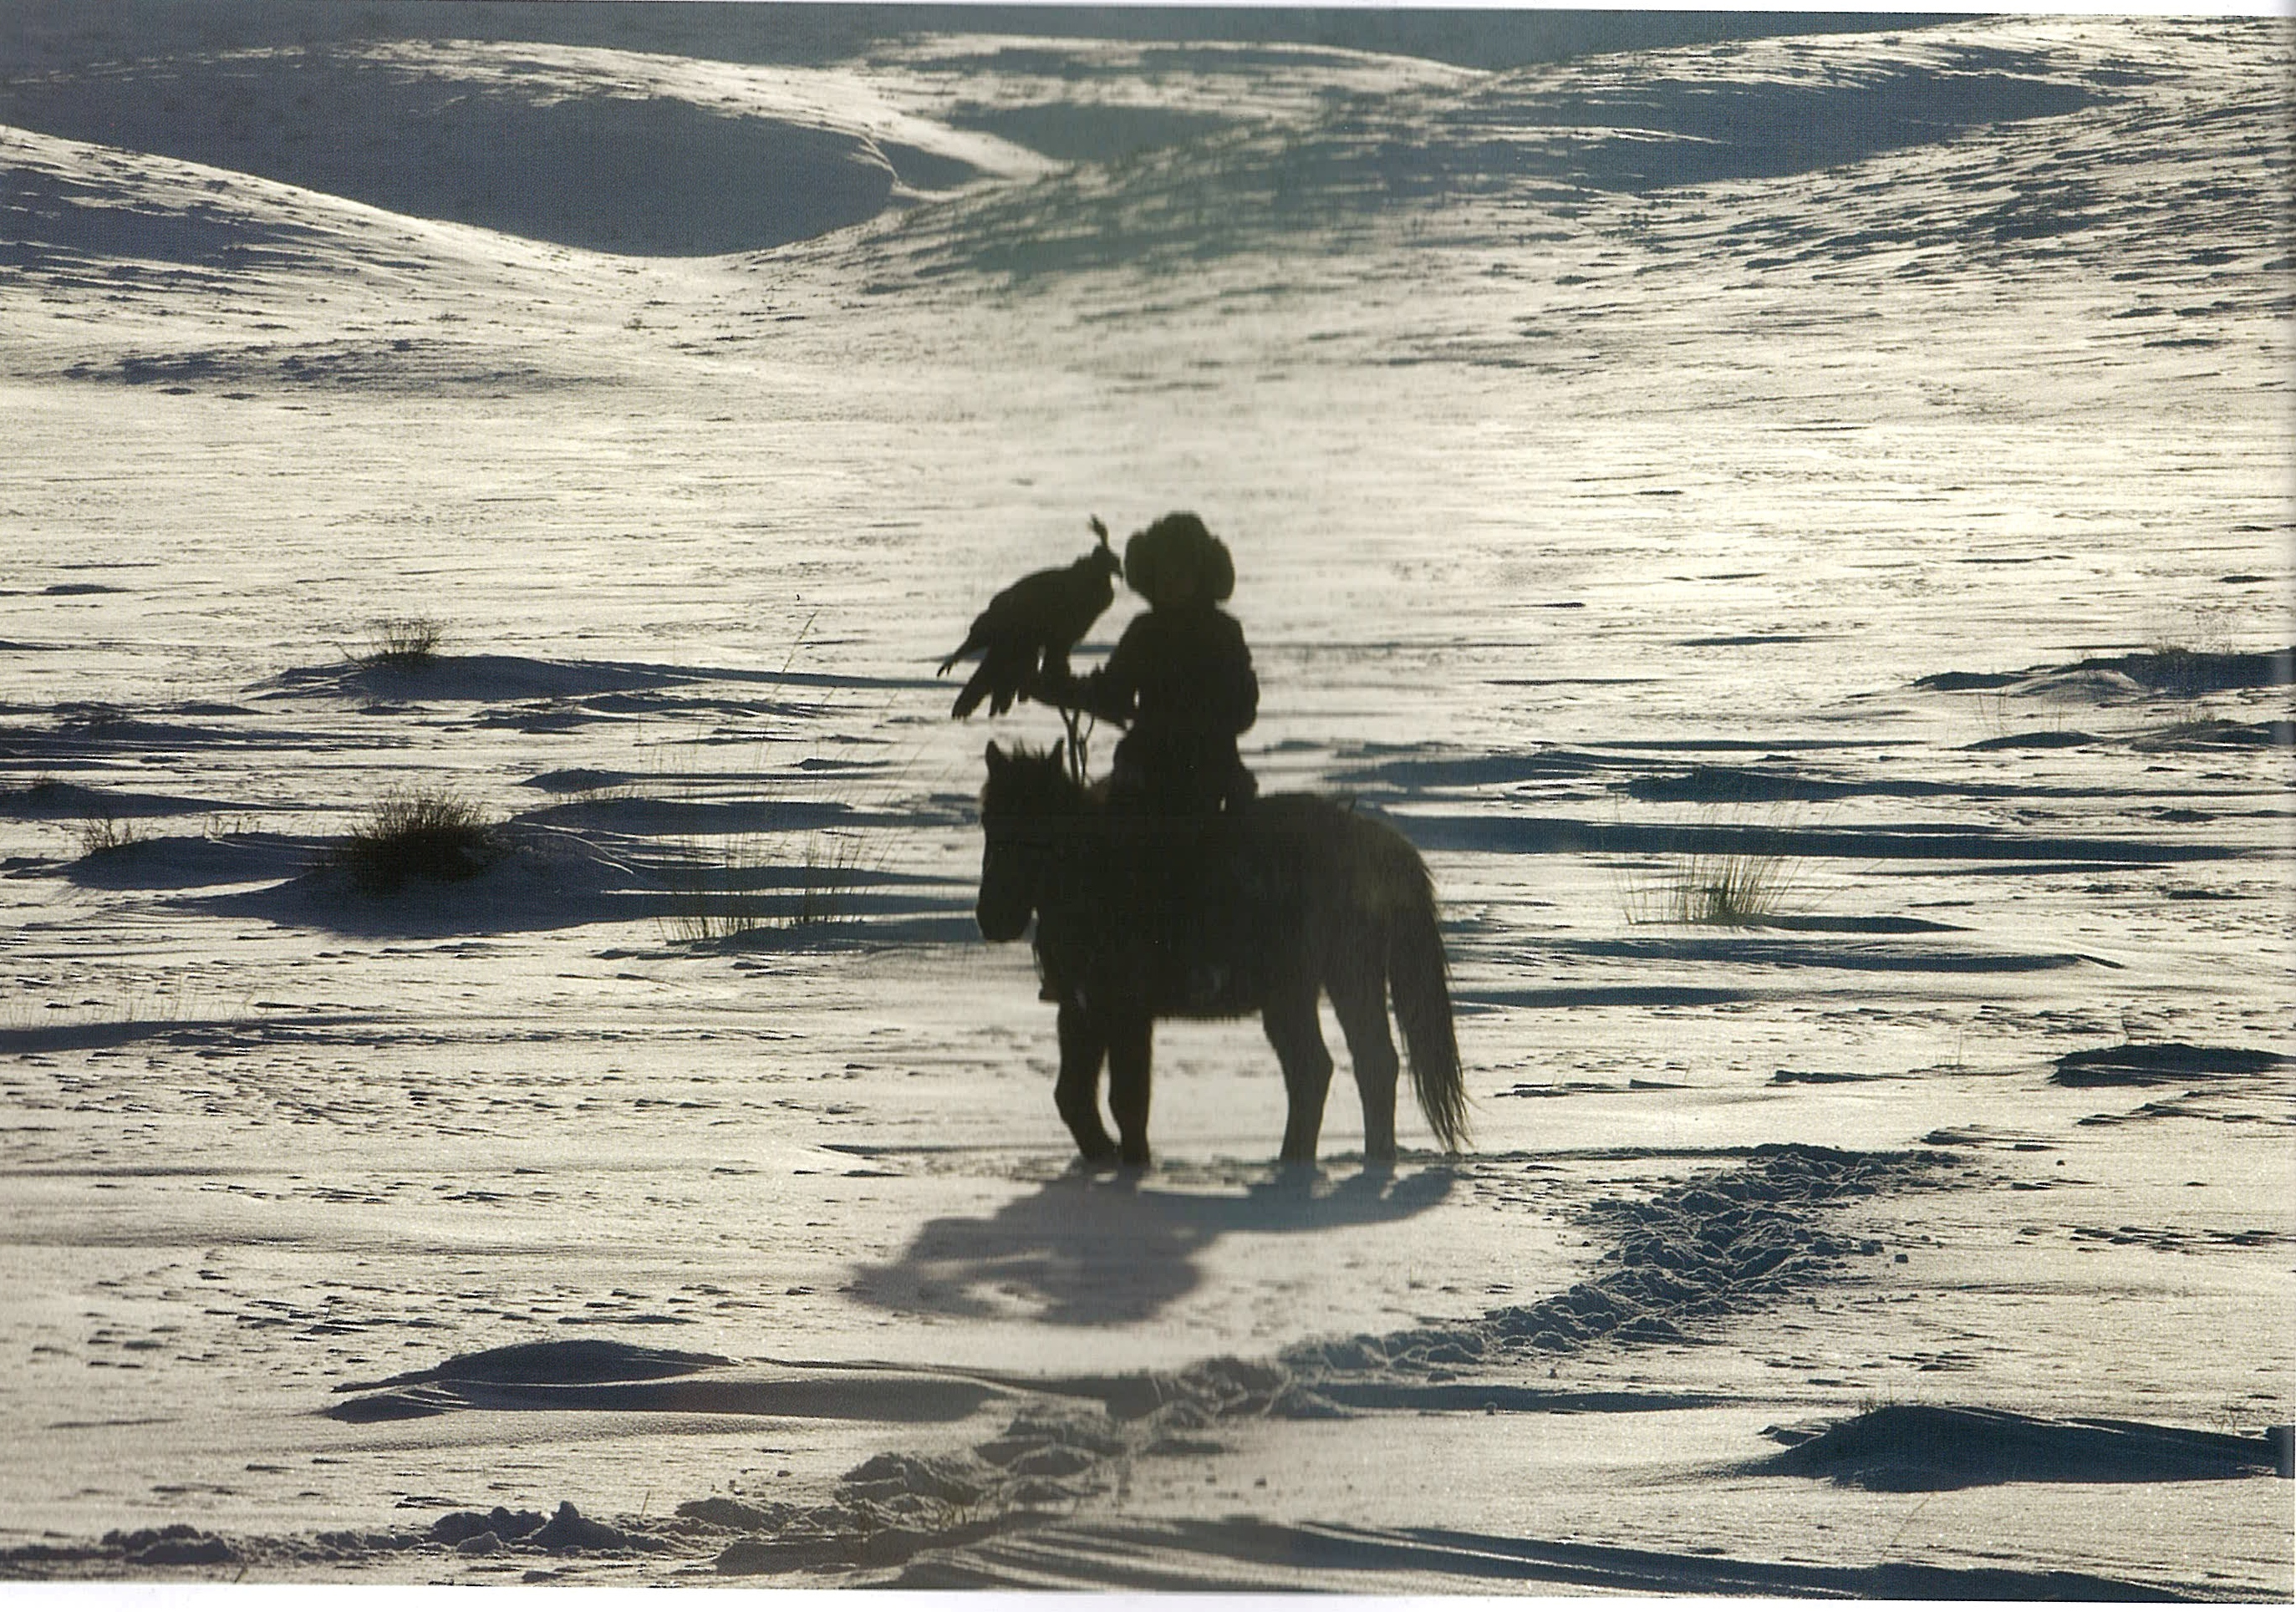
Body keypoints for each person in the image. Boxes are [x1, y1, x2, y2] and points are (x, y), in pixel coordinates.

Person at [1031, 511, 1257, 815]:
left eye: (1180, 572)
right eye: (1163, 571)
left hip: (1203, 769)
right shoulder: (1145, 631)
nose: (1169, 581)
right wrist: (1062, 688)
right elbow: (1113, 692)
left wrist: (1193, 726)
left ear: (1199, 574)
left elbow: (1242, 708)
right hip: (1149, 768)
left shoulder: (1221, 632)